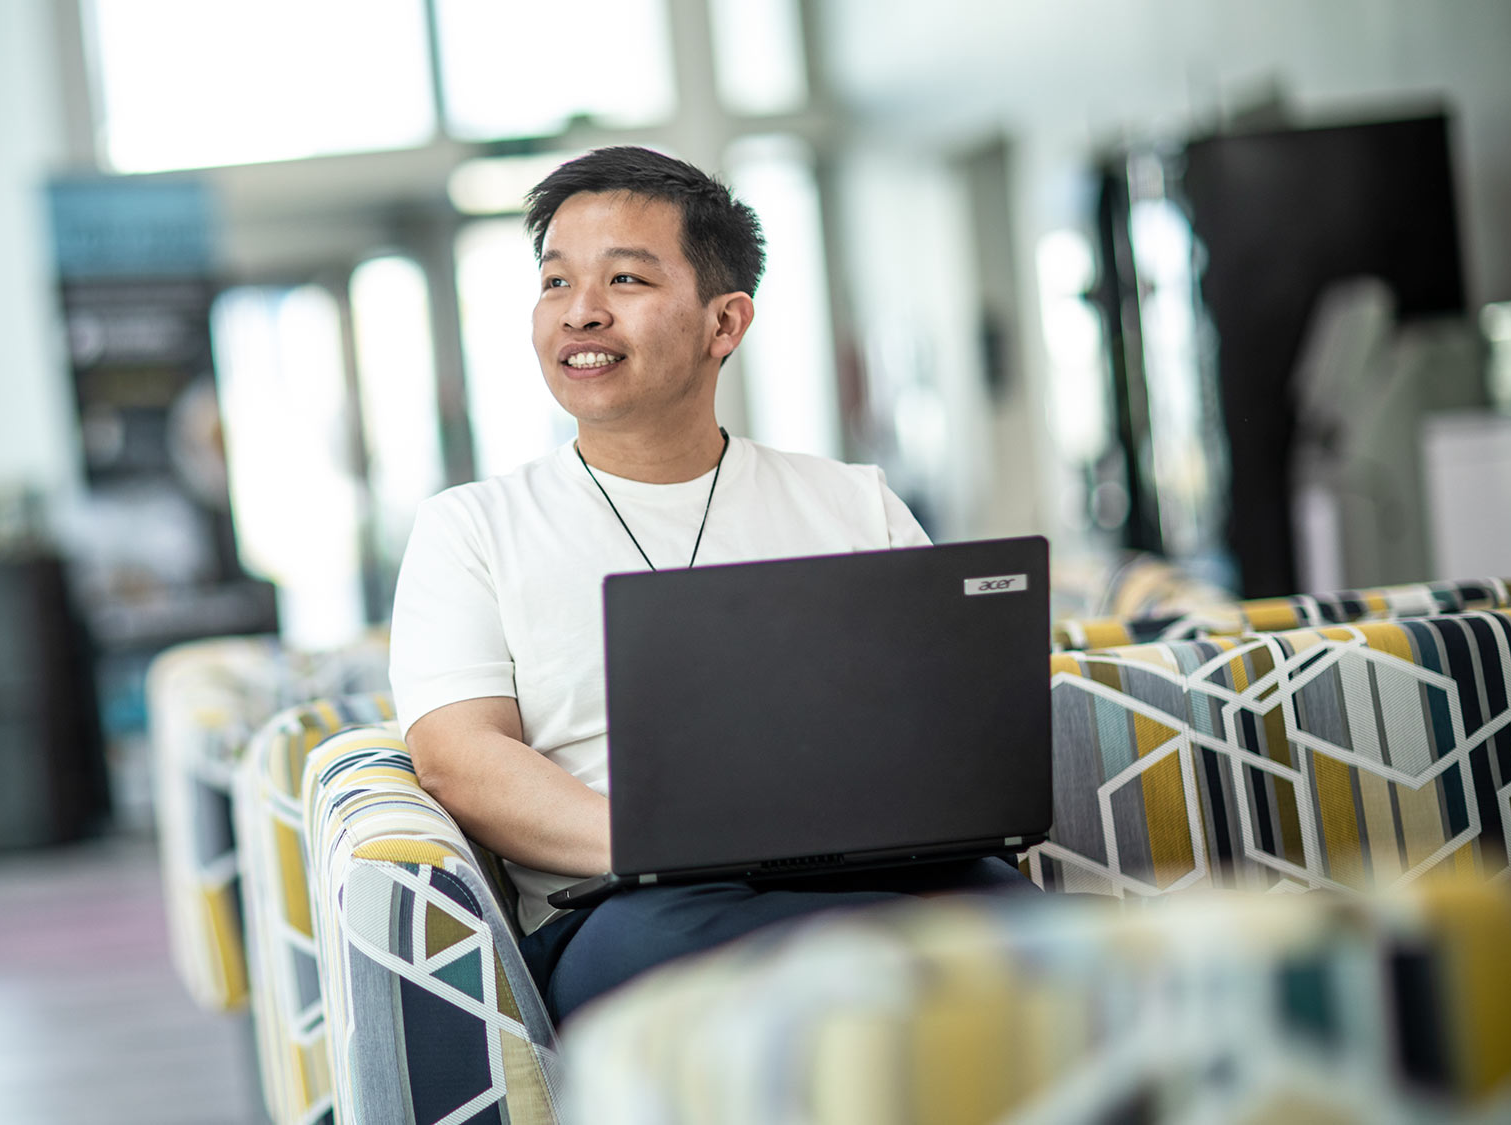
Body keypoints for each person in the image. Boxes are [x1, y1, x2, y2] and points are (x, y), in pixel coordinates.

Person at [388, 146, 1032, 1025]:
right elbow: (459, 760)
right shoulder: (472, 527)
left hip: (895, 874)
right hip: (634, 906)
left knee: (1075, 948)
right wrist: (666, 844)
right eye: (554, 282)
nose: (580, 314)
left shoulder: (853, 502)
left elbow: (946, 735)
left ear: (723, 324)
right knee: (811, 987)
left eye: (625, 280)